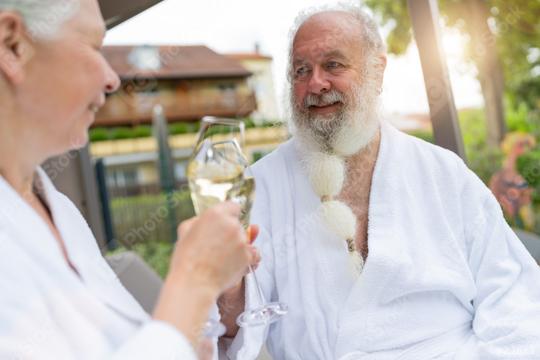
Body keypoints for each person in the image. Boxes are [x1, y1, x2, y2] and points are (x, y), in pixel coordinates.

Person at [218, 4, 540, 359]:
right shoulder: (262, 185)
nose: (316, 83)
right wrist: (229, 287)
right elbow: (232, 329)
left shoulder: (444, 174)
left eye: (333, 65)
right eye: (301, 70)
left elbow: (514, 296)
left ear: (377, 71)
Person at [0, 0, 257, 358]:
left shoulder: (58, 208)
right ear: (12, 45)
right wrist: (194, 279)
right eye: (93, 46)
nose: (112, 78)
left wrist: (215, 288)